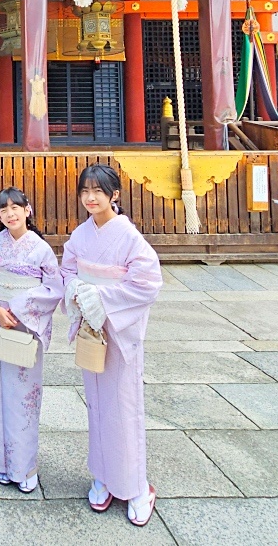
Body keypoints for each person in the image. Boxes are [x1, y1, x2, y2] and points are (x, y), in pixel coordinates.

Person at [60, 163, 163, 527]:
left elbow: (147, 282)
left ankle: (136, 486)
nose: (90, 198)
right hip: (93, 329)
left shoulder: (129, 237)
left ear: (114, 195)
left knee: (123, 405)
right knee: (97, 405)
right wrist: (76, 290)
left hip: (119, 332)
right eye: (85, 191)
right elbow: (67, 271)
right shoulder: (81, 235)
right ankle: (102, 475)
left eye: (98, 191)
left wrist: (98, 296)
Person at [0, 186, 63, 494]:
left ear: (28, 210)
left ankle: (23, 466)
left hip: (26, 327)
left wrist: (20, 308)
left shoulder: (40, 249)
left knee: (24, 399)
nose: (10, 214)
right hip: (1, 325)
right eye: (3, 210)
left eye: (15, 207)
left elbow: (54, 288)